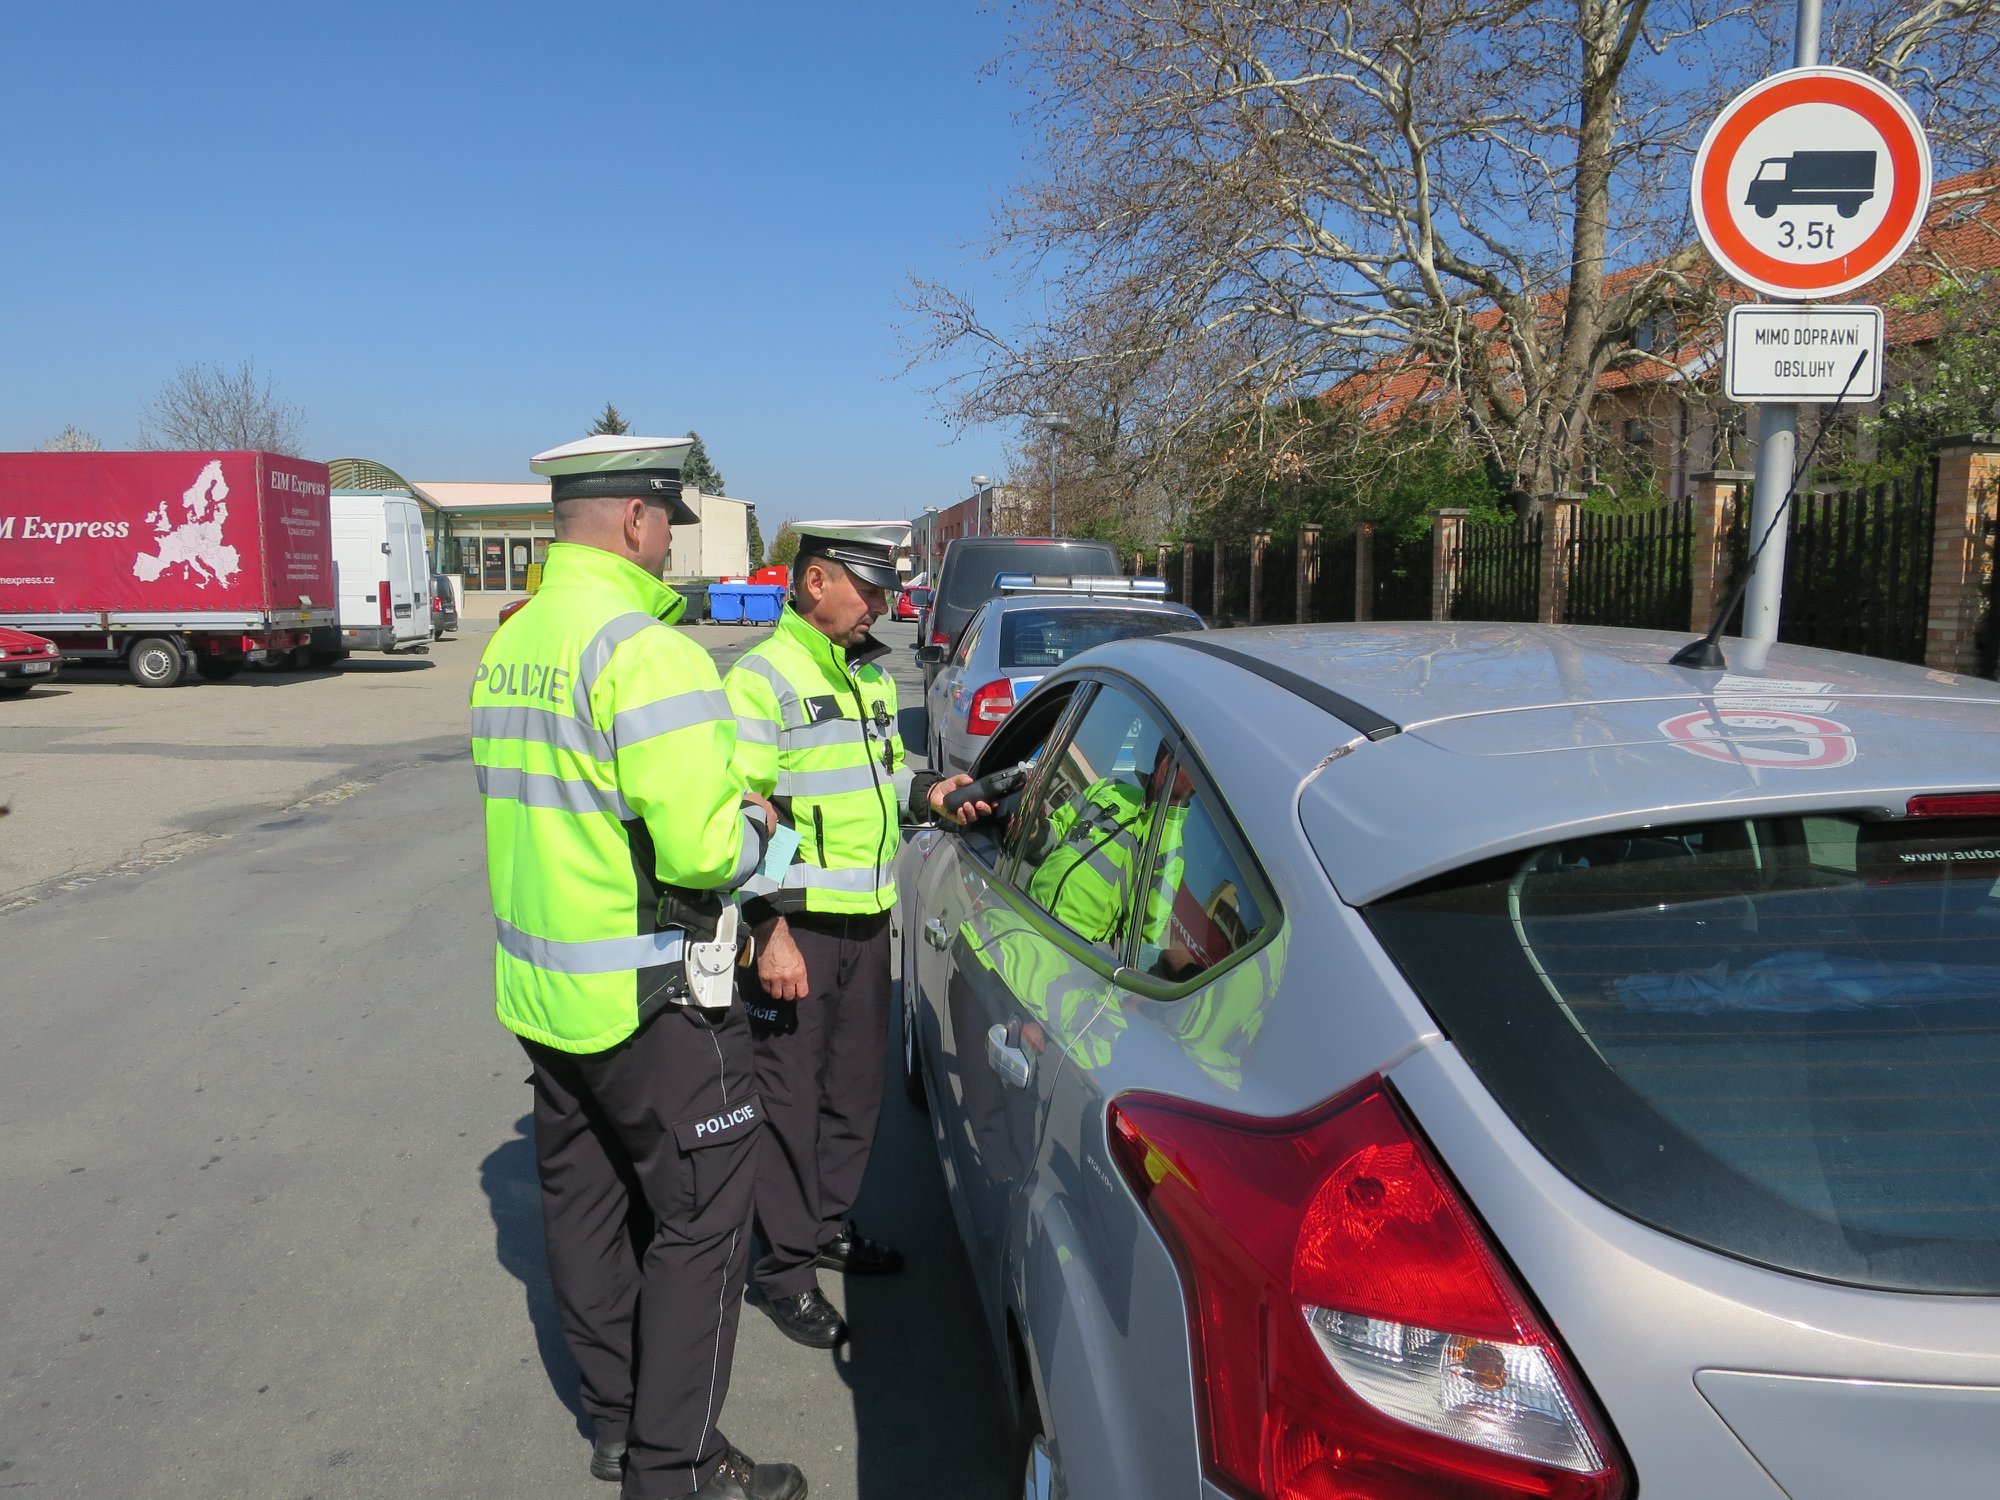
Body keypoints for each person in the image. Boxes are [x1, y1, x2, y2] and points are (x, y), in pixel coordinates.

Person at [471, 434, 804, 1500]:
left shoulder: (513, 641)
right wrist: (758, 830)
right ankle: (679, 1466)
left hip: (543, 989)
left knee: (584, 1209)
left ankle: (618, 1424)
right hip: (652, 996)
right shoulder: (645, 650)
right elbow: (704, 850)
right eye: (669, 521)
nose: (669, 542)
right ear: (635, 520)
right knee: (704, 1225)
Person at [723, 521, 986, 1349]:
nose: (880, 607)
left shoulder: (867, 675)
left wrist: (931, 794)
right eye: (867, 592)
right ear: (815, 585)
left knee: (854, 1093)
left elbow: (878, 777)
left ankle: (826, 1225)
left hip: (869, 919)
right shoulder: (761, 679)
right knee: (790, 1105)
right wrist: (768, 927)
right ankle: (785, 1273)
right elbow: (748, 814)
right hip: (798, 928)